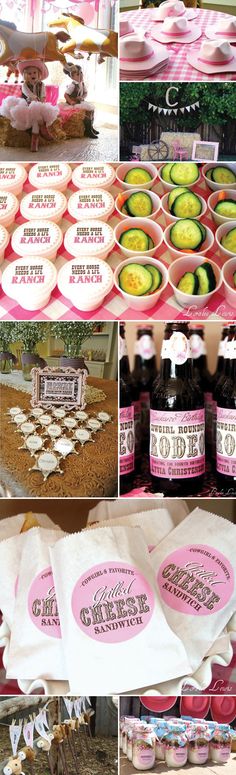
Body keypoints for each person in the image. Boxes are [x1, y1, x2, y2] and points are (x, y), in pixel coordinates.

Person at [0, 59, 59, 152]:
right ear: (25, 75)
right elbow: (30, 96)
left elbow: (43, 95)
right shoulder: (25, 85)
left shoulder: (41, 84)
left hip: (38, 104)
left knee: (39, 111)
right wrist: (37, 102)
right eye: (29, 73)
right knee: (36, 113)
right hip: (26, 105)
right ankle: (42, 132)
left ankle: (34, 140)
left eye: (34, 72)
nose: (32, 75)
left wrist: (42, 102)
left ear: (39, 73)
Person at [63, 63, 99, 138]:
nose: (81, 75)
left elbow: (86, 93)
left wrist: (82, 97)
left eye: (81, 73)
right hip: (73, 103)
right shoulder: (72, 85)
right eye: (78, 74)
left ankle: (90, 127)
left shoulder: (82, 83)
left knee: (91, 110)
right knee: (84, 113)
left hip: (79, 102)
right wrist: (70, 101)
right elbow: (66, 95)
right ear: (72, 76)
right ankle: (88, 131)